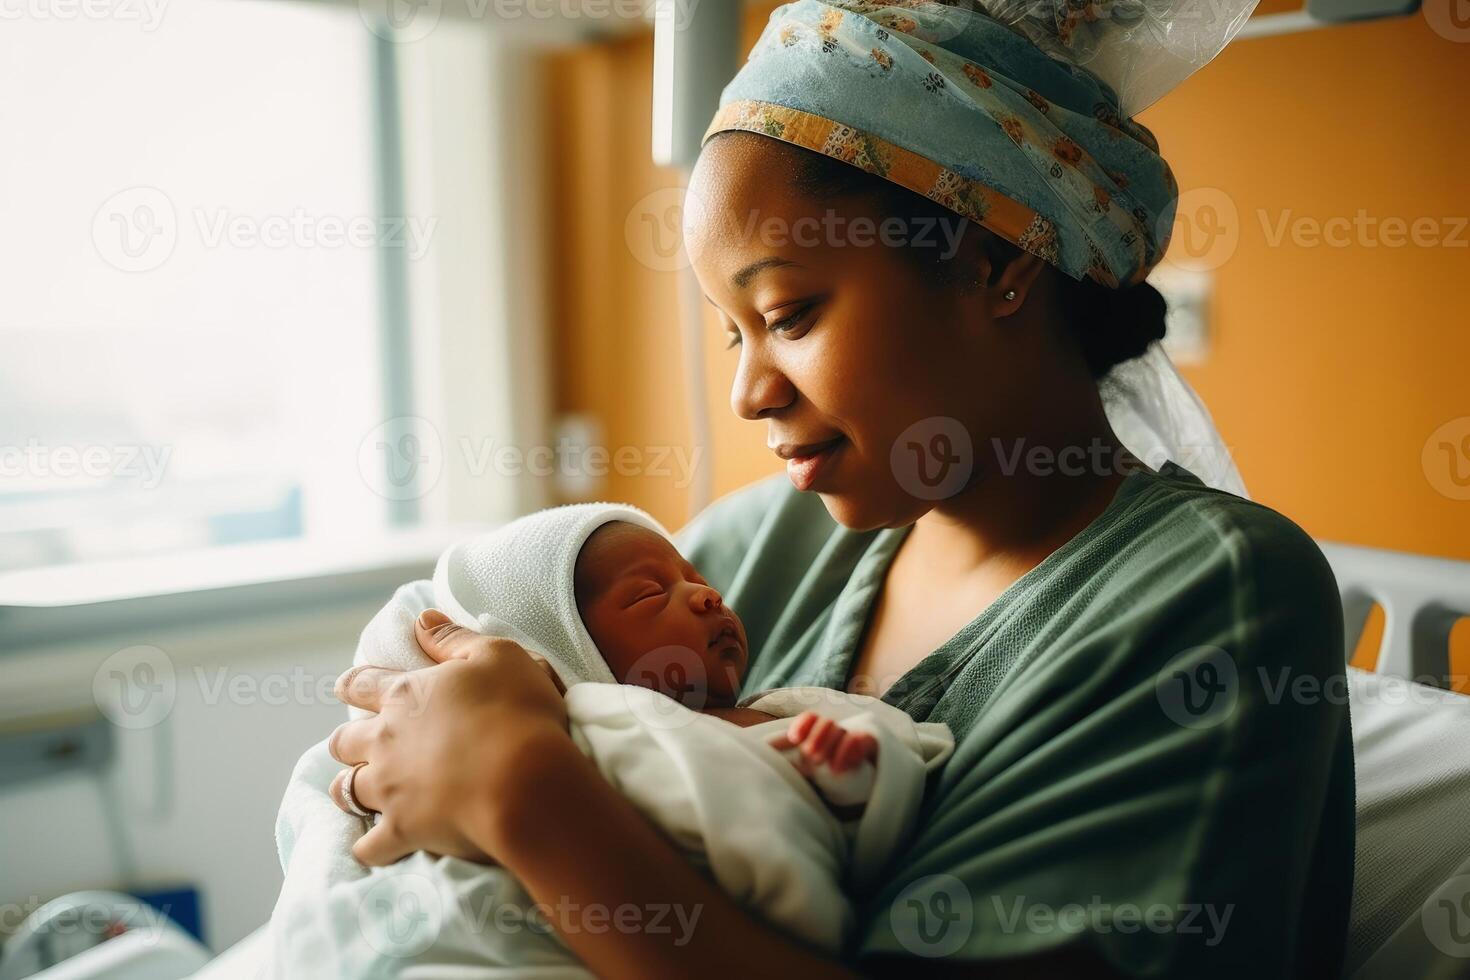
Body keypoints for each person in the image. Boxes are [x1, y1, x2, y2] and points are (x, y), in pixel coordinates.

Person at [325, 2, 1355, 976]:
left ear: (997, 261)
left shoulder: (1210, 596)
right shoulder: (748, 548)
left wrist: (522, 790)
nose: (747, 392)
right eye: (732, 333)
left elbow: (501, 767)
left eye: (792, 313)